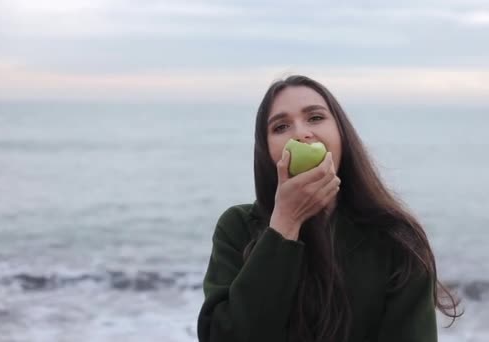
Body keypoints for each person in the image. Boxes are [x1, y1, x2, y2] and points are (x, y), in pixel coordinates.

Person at [197, 75, 462, 342]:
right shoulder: (238, 227)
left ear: (341, 135)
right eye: (281, 126)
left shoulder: (397, 239)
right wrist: (284, 225)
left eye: (315, 118)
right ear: (266, 151)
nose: (301, 133)